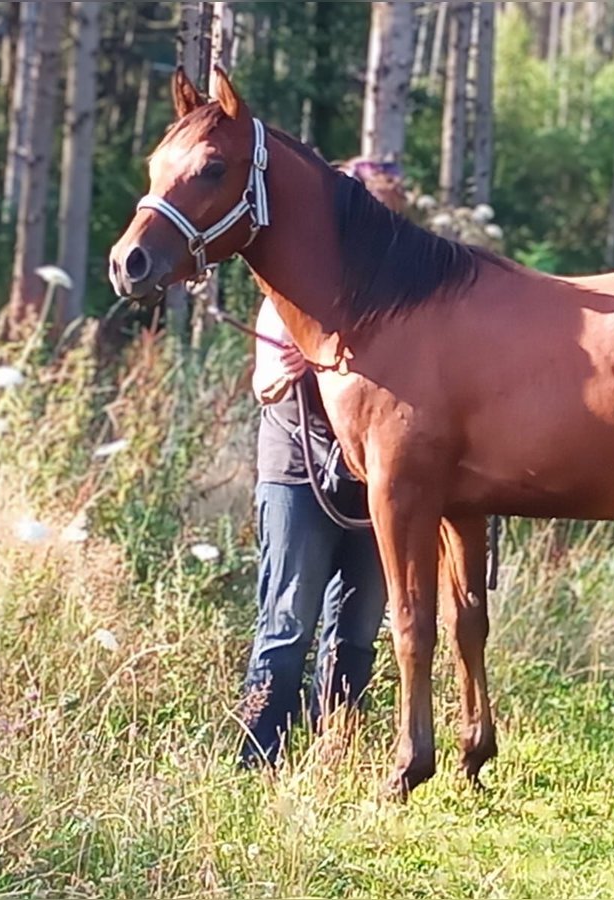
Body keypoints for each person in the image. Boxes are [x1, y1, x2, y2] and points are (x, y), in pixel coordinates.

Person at [235, 157, 406, 769]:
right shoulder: (291, 293)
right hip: (296, 472)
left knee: (356, 634)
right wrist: (281, 372)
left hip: (373, 480)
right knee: (287, 623)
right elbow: (264, 379)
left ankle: (333, 753)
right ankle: (257, 757)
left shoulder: (398, 299)